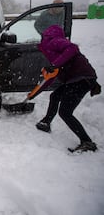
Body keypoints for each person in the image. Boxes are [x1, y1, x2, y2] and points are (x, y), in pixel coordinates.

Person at [36, 25, 101, 153]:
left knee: (65, 112)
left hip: (81, 79)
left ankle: (87, 142)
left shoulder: (53, 41)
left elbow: (72, 48)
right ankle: (46, 123)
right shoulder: (50, 48)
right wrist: (34, 93)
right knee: (54, 96)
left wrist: (55, 65)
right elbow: (50, 76)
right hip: (76, 79)